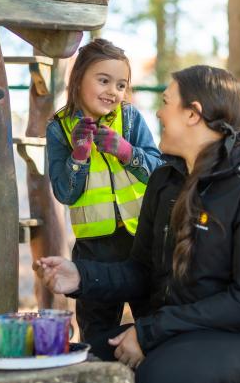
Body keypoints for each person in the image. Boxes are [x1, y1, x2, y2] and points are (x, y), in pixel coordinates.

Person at [36, 65, 240, 383]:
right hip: (182, 333)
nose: (158, 113)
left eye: (166, 103)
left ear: (193, 113)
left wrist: (148, 334)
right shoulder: (165, 180)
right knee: (80, 366)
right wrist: (80, 276)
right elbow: (142, 272)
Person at [46, 38, 163, 358]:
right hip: (94, 249)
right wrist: (79, 156)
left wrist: (126, 152)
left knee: (154, 322)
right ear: (79, 78)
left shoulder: (132, 119)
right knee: (96, 334)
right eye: (104, 80)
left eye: (121, 84)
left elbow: (160, 174)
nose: (114, 91)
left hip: (141, 241)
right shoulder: (59, 128)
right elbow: (65, 192)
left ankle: (156, 381)